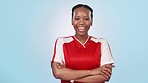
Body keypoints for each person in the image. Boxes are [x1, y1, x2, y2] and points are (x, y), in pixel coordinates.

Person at [51, 4, 115, 83]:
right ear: (72, 21)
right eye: (77, 18)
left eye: (86, 19)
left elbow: (104, 77)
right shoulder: (62, 42)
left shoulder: (102, 43)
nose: (81, 22)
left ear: (91, 21)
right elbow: (57, 73)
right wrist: (92, 72)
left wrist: (70, 77)